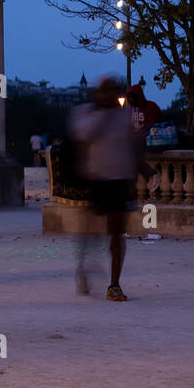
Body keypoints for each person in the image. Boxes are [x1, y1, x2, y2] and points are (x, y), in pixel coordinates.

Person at [69, 76, 138, 301]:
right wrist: (101, 111)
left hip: (120, 179)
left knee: (117, 233)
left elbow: (132, 146)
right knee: (90, 232)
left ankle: (114, 284)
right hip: (96, 179)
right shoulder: (87, 113)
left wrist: (133, 179)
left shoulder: (125, 115)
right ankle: (83, 268)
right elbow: (82, 136)